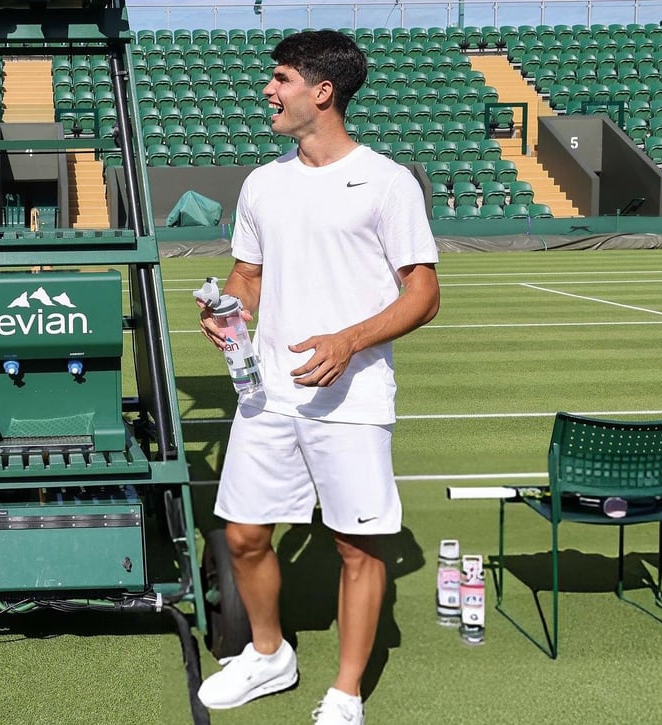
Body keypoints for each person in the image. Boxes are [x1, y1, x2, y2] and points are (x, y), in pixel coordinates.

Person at [194, 30, 440, 725]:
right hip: (266, 396)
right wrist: (226, 310)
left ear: (322, 91)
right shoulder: (262, 183)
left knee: (356, 547)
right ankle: (270, 654)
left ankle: (347, 691)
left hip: (352, 400)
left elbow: (424, 294)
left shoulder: (387, 182)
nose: (268, 90)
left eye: (281, 79)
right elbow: (247, 276)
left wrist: (349, 340)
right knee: (244, 535)